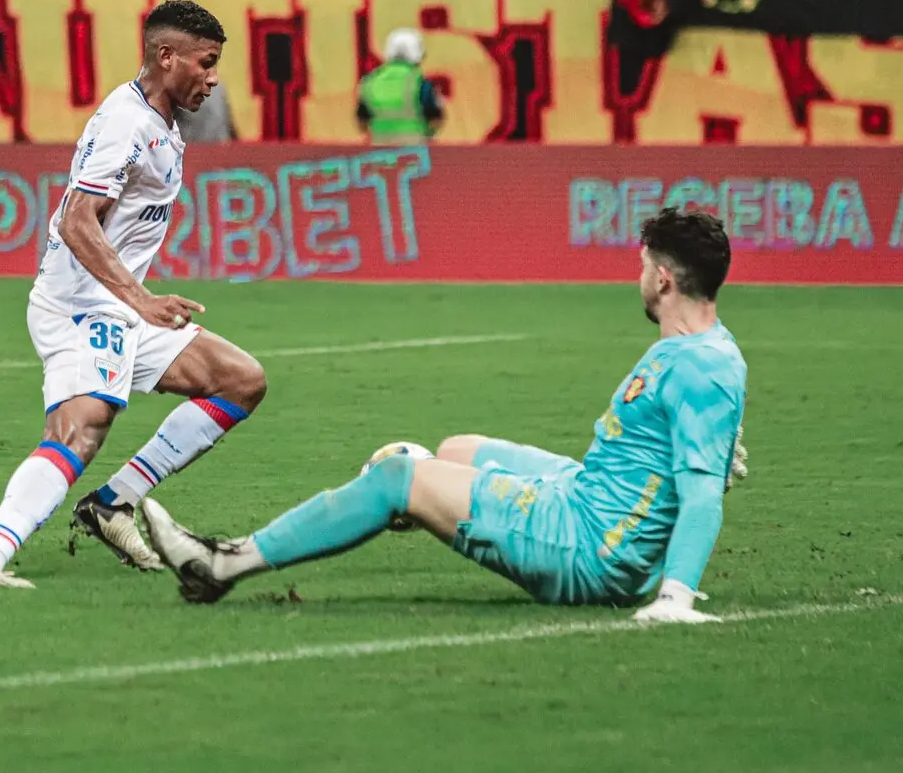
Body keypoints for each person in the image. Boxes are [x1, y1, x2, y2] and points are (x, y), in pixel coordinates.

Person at [142, 208, 748, 623]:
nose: (638, 278)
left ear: (664, 279)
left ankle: (221, 562)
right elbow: (684, 456)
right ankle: (427, 492)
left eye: (644, 268)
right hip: (590, 494)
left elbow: (699, 495)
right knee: (456, 448)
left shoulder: (699, 369)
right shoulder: (701, 348)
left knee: (397, 478)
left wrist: (673, 596)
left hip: (590, 547)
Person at [0, 0, 269, 588]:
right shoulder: (129, 122)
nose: (214, 78)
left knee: (240, 380)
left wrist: (134, 302)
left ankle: (114, 503)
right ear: (166, 56)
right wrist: (140, 299)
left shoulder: (163, 120)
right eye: (207, 63)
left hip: (119, 307)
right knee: (82, 428)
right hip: (80, 307)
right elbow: (76, 219)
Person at [356, 28, 444, 145]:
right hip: (415, 152)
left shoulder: (369, 83)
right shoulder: (420, 83)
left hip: (379, 152)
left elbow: (362, 122)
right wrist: (428, 135)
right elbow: (435, 119)